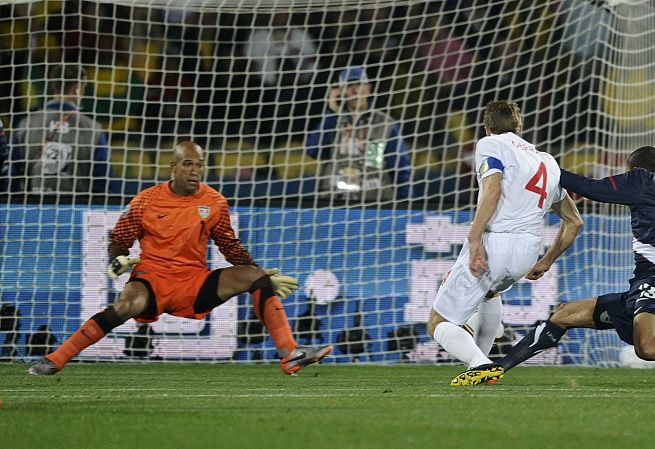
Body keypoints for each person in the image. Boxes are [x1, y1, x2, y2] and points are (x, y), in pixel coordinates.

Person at [456, 145, 655, 386]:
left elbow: (591, 188)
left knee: (646, 348)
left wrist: (545, 168)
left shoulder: (641, 181)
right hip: (651, 291)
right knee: (563, 315)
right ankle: (497, 369)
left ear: (634, 168)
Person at [29, 141, 331, 375]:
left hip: (193, 283)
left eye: (199, 165)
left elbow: (230, 247)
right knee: (125, 306)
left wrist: (261, 273)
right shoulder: (145, 201)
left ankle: (290, 353)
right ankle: (56, 359)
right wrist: (118, 258)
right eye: (188, 164)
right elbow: (120, 239)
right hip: (152, 279)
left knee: (254, 276)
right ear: (173, 166)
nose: (195, 171)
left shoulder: (214, 201)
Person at [427, 101, 583, 386]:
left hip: (494, 243)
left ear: (488, 128)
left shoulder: (489, 144)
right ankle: (481, 365)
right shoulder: (547, 161)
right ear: (519, 128)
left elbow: (493, 188)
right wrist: (547, 260)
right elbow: (574, 222)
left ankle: (480, 364)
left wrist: (474, 239)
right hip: (527, 253)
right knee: (489, 294)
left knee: (439, 321)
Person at [2, 63, 119, 194]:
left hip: (33, 209)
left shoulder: (26, 125)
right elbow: (103, 181)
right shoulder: (92, 129)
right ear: (77, 89)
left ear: (53, 85)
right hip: (77, 210)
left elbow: (12, 177)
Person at [305, 67, 412, 202]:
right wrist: (332, 111)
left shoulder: (385, 124)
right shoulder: (332, 122)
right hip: (333, 201)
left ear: (368, 88)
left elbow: (401, 168)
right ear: (341, 92)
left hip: (375, 204)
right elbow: (313, 150)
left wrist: (406, 205)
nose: (355, 91)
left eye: (359, 85)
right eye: (349, 86)